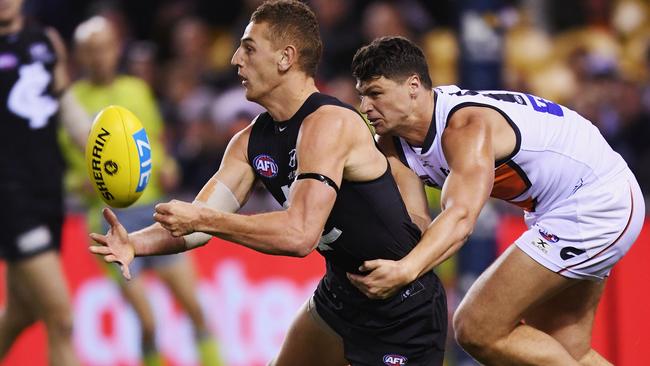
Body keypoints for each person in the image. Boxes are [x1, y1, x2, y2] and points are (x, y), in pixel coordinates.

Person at [90, 1, 448, 365]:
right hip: (340, 296)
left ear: (285, 58)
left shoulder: (330, 123)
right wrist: (134, 243)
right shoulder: (249, 143)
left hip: (401, 307)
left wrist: (203, 220)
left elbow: (299, 235)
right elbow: (195, 225)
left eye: (248, 48)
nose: (234, 59)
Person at [349, 35, 645, 365]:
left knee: (475, 327)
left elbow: (461, 218)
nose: (365, 107)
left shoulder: (465, 126)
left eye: (375, 94)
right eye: (362, 95)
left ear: (413, 86)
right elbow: (416, 220)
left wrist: (405, 271)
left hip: (595, 199)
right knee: (564, 350)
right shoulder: (391, 140)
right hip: (560, 205)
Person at [62, 16, 222, 366]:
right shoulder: (70, 103)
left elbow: (152, 142)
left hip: (155, 212)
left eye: (103, 48)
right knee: (148, 321)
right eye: (89, 51)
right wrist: (79, 184)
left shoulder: (136, 90)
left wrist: (166, 164)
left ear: (115, 49)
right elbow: (62, 171)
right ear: (79, 56)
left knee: (195, 307)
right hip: (108, 221)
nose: (98, 57)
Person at [0, 0, 90, 365]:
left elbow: (66, 107)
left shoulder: (47, 40)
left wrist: (102, 150)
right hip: (9, 194)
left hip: (48, 189)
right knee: (61, 317)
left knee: (21, 314)